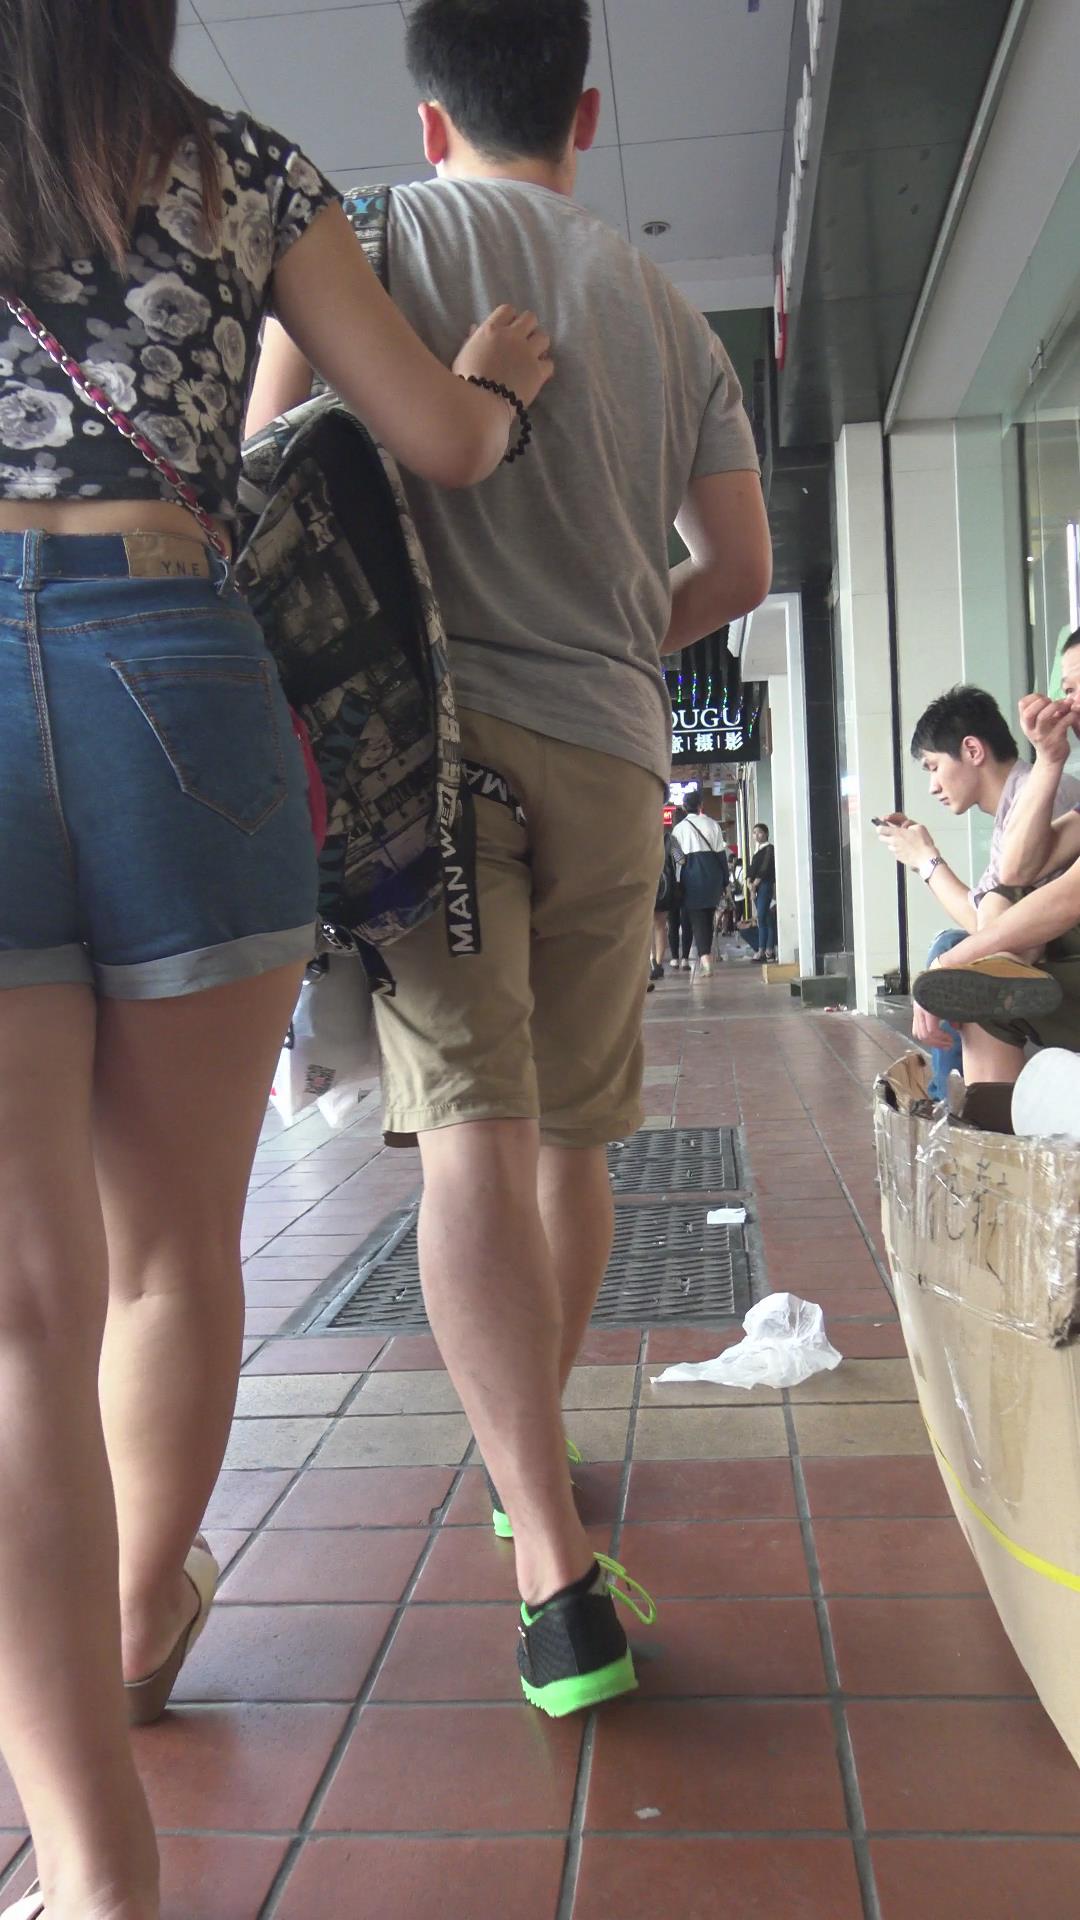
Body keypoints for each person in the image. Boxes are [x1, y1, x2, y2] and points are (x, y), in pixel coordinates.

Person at [0, 5, 554, 1916]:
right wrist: (494, 382)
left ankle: (96, 1869)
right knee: (170, 1254)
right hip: (178, 662)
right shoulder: (241, 169)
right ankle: (143, 1614)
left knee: (19, 1309)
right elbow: (440, 443)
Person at [248, 0, 771, 1714]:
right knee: (576, 1131)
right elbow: (739, 571)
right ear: (586, 114)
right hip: (618, 755)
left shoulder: (370, 238)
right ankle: (533, 1466)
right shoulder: (672, 309)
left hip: (441, 749)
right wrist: (616, 642)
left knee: (468, 1134)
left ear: (428, 119)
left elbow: (261, 474)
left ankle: (552, 1572)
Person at [876, 684, 1080, 1095]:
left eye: (933, 766)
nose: (932, 786)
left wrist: (927, 863)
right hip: (1050, 949)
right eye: (1067, 691)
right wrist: (1049, 757)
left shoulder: (1048, 793)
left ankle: (952, 1108)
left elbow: (1026, 909)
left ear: (972, 750)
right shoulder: (1031, 796)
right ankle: (969, 1115)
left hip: (1058, 947)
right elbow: (1009, 884)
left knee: (965, 963)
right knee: (974, 969)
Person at [670, 792, 732, 977]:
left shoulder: (678, 830)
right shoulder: (713, 824)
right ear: (701, 805)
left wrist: (678, 879)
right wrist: (725, 881)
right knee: (708, 916)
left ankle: (706, 960)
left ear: (684, 807)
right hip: (712, 876)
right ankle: (706, 957)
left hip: (691, 877)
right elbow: (721, 855)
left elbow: (677, 858)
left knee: (697, 919)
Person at [747, 822, 777, 961]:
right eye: (754, 833)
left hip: (765, 885)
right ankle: (769, 950)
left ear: (766, 833)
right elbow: (751, 869)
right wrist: (749, 883)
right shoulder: (756, 851)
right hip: (756, 887)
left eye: (759, 832)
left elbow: (765, 868)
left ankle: (763, 950)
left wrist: (754, 884)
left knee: (762, 917)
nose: (756, 835)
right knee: (766, 918)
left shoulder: (769, 848)